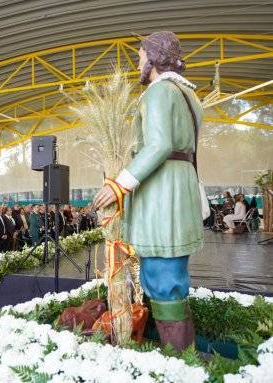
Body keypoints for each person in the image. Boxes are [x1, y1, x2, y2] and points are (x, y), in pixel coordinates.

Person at [93, 31, 203, 351]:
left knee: (161, 277)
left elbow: (158, 145)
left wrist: (120, 184)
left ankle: (179, 360)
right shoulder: (189, 95)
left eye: (141, 55)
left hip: (161, 197)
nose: (138, 61)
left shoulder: (158, 92)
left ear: (154, 58)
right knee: (171, 278)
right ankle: (181, 356)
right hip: (179, 187)